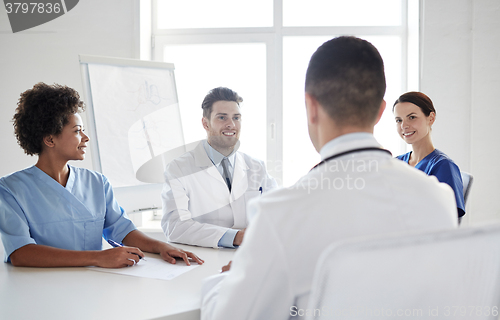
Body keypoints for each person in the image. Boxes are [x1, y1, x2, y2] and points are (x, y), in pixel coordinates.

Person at [200, 36, 458, 319]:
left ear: (311, 107)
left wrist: (230, 278)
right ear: (382, 111)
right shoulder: (438, 198)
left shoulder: (281, 214)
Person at [0, 82, 203, 268]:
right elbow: (20, 252)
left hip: (96, 284)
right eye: (77, 131)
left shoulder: (96, 182)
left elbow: (122, 230)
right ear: (50, 139)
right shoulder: (11, 189)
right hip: (38, 288)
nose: (85, 138)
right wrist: (98, 257)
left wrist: (161, 246)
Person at [161, 87, 277, 248]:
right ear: (205, 123)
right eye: (222, 117)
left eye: (236, 118)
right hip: (204, 259)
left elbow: (277, 210)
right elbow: (174, 226)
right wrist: (234, 237)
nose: (231, 124)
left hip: (251, 256)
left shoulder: (256, 167)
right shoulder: (179, 169)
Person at [393, 91, 465, 219]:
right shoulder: (397, 163)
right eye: (399, 120)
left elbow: (448, 219)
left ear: (431, 118)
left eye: (412, 117)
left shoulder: (443, 166)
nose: (404, 126)